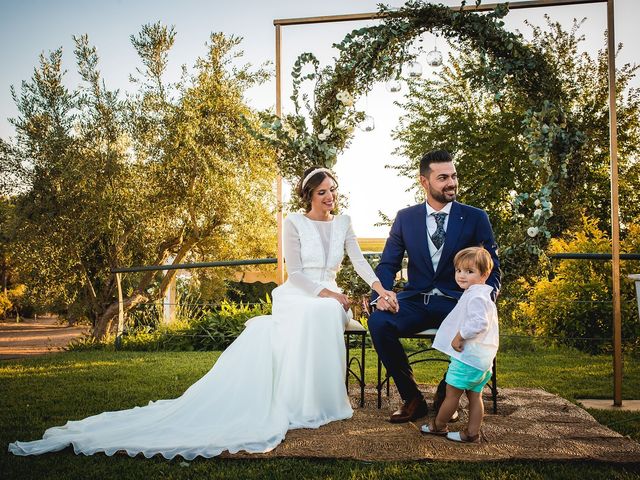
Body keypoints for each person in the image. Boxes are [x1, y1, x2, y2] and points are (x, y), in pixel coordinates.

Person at [8, 166, 397, 459]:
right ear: (309, 195)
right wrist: (328, 293)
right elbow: (294, 274)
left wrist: (378, 288)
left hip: (329, 294)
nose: (331, 196)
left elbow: (361, 262)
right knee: (317, 312)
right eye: (324, 191)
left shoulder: (344, 223)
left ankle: (325, 401)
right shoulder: (292, 223)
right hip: (299, 293)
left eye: (334, 190)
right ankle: (297, 404)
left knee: (327, 313)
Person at [368, 149, 500, 423]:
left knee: (473, 327)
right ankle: (411, 398)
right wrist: (381, 295)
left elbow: (493, 267)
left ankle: (446, 393)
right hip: (416, 300)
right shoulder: (406, 217)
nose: (451, 182)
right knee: (379, 322)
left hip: (457, 303)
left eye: (453, 175)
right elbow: (388, 264)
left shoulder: (476, 217)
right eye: (443, 177)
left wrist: (485, 301)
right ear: (424, 182)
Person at [420, 246, 499, 443]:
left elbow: (480, 323)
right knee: (475, 396)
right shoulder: (480, 293)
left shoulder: (477, 296)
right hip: (481, 360)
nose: (462, 276)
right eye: (459, 270)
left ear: (485, 274)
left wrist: (460, 336)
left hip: (468, 359)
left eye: (469, 271)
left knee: (451, 395)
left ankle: (438, 425)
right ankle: (472, 433)